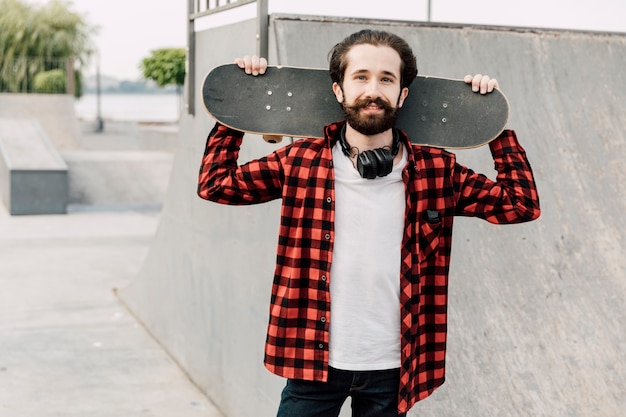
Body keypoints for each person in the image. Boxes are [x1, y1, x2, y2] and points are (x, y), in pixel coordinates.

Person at [197, 29, 540, 417]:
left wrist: (492, 126)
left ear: (402, 94)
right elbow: (216, 185)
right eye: (360, 77)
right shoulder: (301, 161)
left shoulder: (436, 170)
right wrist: (238, 111)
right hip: (313, 360)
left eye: (386, 79)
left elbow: (520, 204)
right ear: (339, 90)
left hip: (394, 368)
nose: (372, 89)